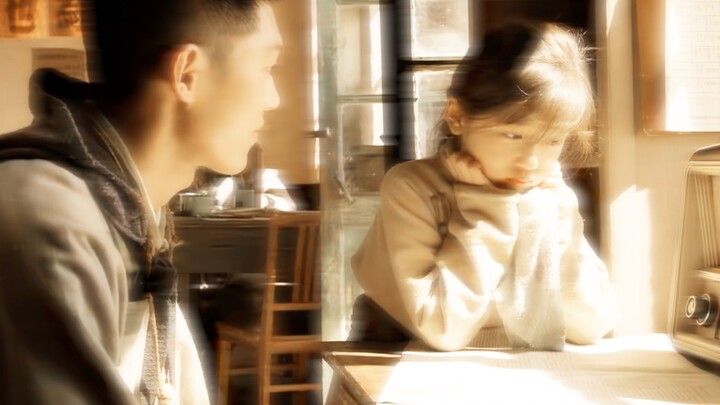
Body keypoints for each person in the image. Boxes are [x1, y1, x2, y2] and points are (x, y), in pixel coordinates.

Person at [0, 0, 282, 403]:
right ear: (187, 74)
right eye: (266, 67)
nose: (274, 99)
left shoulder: (129, 207)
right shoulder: (47, 216)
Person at [350, 20, 617, 352]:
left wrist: (558, 216)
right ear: (457, 116)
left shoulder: (547, 196)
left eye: (553, 140)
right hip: (396, 358)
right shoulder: (413, 188)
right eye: (513, 135)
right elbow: (444, 330)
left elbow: (593, 323)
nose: (532, 161)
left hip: (511, 365)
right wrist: (487, 205)